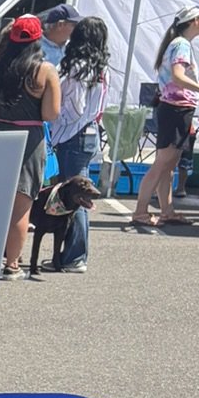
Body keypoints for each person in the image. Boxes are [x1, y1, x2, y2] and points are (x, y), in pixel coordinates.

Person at [0, 14, 61, 278]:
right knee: (21, 205)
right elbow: (50, 114)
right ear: (38, 39)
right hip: (28, 138)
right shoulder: (45, 71)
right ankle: (12, 264)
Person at [134, 5, 199, 231]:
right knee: (163, 163)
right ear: (194, 21)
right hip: (176, 109)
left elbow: (177, 77)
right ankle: (140, 210)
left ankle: (167, 211)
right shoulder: (182, 45)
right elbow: (178, 77)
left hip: (175, 108)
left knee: (169, 163)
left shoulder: (178, 43)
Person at [50, 15, 109, 270]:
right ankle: (72, 254)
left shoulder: (78, 66)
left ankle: (74, 256)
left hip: (72, 134)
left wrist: (54, 116)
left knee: (75, 197)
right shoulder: (101, 67)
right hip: (90, 132)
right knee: (78, 193)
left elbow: (75, 108)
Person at [38, 3, 80, 68]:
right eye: (74, 25)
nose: (77, 28)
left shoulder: (72, 46)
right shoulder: (37, 48)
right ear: (60, 25)